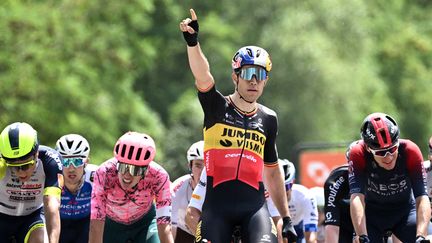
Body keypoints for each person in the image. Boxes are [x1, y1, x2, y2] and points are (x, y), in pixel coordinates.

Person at [179, 8, 296, 243]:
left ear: (265, 81)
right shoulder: (217, 107)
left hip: (254, 210)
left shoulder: (268, 118)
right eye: (248, 73)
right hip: (216, 211)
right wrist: (193, 43)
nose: (254, 81)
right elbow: (203, 76)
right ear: (235, 77)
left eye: (260, 75)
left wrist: (286, 217)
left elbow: (272, 172)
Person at [348, 112, 431, 242]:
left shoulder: (410, 150)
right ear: (368, 149)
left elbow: (422, 197)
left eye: (392, 149)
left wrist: (421, 236)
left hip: (405, 213)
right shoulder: (358, 153)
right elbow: (357, 197)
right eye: (381, 153)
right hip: (372, 216)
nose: (388, 157)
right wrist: (362, 235)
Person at [89, 131, 174, 243]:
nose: (127, 174)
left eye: (135, 169)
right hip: (111, 225)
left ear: (146, 170)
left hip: (145, 223)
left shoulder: (159, 176)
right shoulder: (104, 173)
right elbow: (96, 223)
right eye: (123, 167)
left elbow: (164, 226)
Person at [0, 122, 62, 243]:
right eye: (13, 166)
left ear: (36, 154)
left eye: (26, 165)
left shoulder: (50, 160)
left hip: (32, 216)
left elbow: (52, 206)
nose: (20, 173)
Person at [55, 134, 98, 243]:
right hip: (59, 223)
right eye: (65, 162)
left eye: (77, 161)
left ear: (86, 162)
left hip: (86, 224)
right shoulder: (52, 176)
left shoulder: (96, 176)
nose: (71, 168)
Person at [267, 159, 319, 243]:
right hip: (277, 228)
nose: (282, 192)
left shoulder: (305, 196)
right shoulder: (268, 197)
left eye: (286, 187)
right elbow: (278, 231)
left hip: (299, 228)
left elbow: (311, 238)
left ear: (293, 182)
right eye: (278, 188)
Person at [171, 141, 205, 242]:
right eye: (198, 166)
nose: (203, 172)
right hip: (182, 232)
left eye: (207, 167)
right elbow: (169, 228)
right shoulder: (178, 188)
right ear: (190, 166)